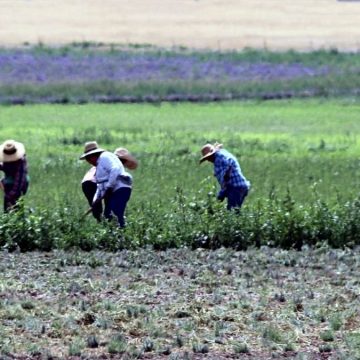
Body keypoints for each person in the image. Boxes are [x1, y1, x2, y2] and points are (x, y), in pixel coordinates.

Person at [79, 141, 134, 228]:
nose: (89, 162)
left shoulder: (105, 158)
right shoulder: (100, 165)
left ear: (94, 156)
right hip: (98, 186)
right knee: (107, 214)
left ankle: (120, 234)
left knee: (113, 213)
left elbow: (115, 170)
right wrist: (95, 200)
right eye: (87, 159)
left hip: (119, 189)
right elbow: (100, 185)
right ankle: (111, 232)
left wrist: (109, 188)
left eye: (89, 158)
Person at [199, 142, 250, 210]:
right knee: (224, 207)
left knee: (233, 212)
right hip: (235, 186)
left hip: (236, 187)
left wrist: (227, 174)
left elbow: (229, 163)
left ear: (212, 154)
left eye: (208, 157)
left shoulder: (219, 157)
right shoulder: (221, 154)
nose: (208, 160)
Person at [0, 139, 29, 212]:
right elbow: (6, 167)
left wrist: (10, 195)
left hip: (19, 185)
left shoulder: (21, 162)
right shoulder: (7, 159)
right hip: (9, 183)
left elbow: (19, 181)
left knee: (16, 205)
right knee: (7, 208)